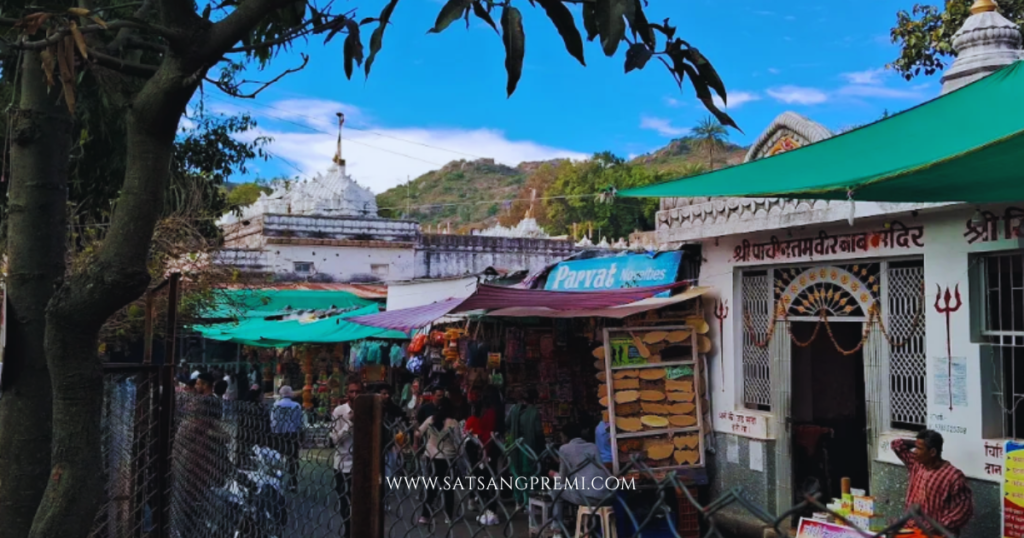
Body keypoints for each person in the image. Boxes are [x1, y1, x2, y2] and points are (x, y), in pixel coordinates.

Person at [892, 430, 973, 536]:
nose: (915, 451)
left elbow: (964, 510)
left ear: (933, 452)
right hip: (912, 530)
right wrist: (917, 443)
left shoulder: (953, 476)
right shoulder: (916, 464)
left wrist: (937, 525)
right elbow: (897, 445)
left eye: (919, 449)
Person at [548, 422, 611, 525]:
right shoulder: (592, 447)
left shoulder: (564, 449)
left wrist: (554, 475)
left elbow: (563, 479)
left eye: (562, 436)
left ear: (565, 436)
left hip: (587, 496)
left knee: (556, 490)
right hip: (605, 495)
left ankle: (557, 528)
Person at [416, 397, 462, 525]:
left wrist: (418, 446)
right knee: (448, 487)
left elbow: (417, 433)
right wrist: (460, 453)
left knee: (431, 486)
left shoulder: (431, 420)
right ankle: (448, 516)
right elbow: (457, 441)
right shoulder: (453, 423)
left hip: (431, 457)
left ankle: (425, 515)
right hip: (448, 458)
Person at [465, 387, 503, 526]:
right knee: (488, 480)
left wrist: (483, 451)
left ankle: (488, 510)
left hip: (486, 449)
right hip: (490, 449)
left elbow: (487, 433)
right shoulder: (495, 412)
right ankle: (490, 510)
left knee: (484, 481)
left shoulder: (488, 413)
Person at [331, 382, 361, 538]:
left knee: (360, 501)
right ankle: (348, 530)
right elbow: (335, 439)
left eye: (358, 392)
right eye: (352, 391)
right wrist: (349, 423)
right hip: (343, 463)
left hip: (362, 464)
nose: (354, 395)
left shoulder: (368, 410)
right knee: (344, 500)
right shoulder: (339, 411)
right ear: (347, 393)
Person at [508, 387, 545, 507]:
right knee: (530, 473)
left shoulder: (514, 410)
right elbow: (539, 432)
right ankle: (530, 500)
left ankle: (519, 500)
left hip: (516, 446)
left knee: (517, 474)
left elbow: (506, 423)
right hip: (529, 447)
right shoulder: (534, 412)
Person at [271, 386, 303, 492]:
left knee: (277, 458)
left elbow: (273, 421)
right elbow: (300, 422)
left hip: (279, 434)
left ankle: (277, 481)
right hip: (292, 434)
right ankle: (293, 482)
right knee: (293, 459)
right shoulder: (296, 406)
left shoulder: (276, 405)